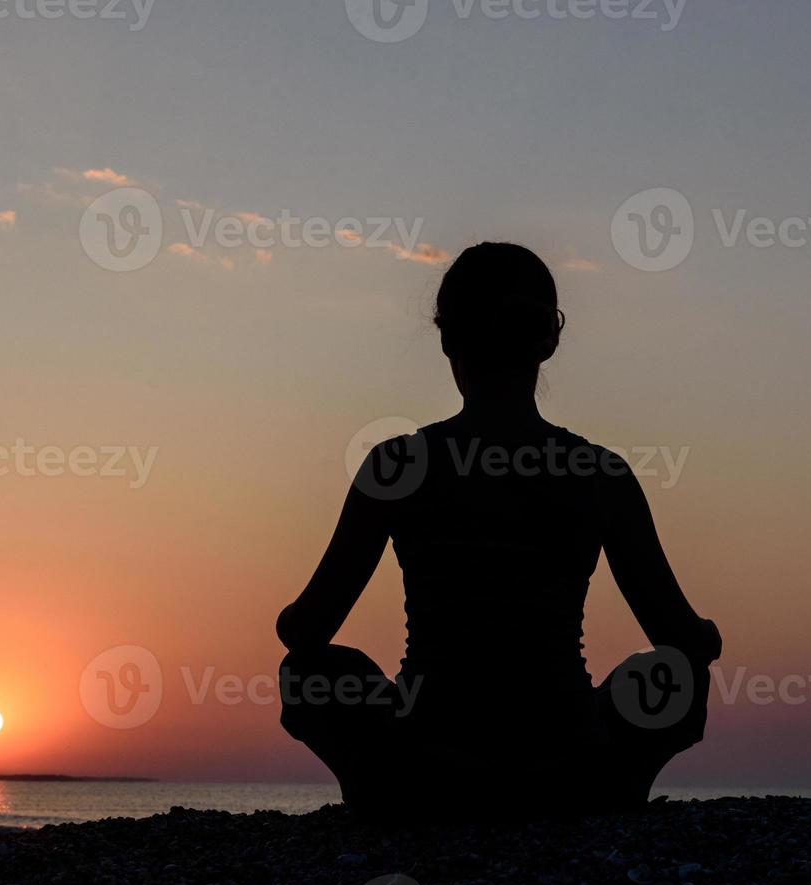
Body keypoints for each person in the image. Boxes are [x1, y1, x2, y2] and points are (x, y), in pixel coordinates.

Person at [276, 242, 721, 818]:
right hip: (565, 754)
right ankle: (598, 797)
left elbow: (307, 632)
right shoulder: (600, 474)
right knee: (676, 677)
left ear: (446, 339)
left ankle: (389, 794)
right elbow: (681, 641)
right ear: (550, 340)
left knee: (309, 674)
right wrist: (707, 637)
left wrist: (287, 621)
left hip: (425, 751)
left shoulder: (396, 467)